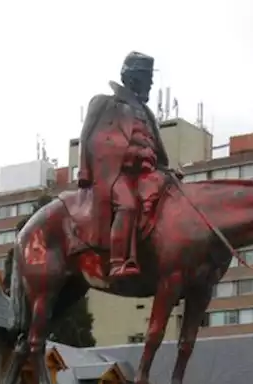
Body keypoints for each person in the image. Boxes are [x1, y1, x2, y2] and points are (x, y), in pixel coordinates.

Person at [77, 51, 180, 279]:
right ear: (133, 78)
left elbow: (155, 147)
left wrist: (167, 171)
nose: (152, 83)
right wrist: (84, 171)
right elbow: (86, 136)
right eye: (147, 77)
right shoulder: (104, 103)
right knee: (128, 206)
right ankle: (117, 262)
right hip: (117, 173)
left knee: (173, 200)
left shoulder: (148, 113)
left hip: (147, 172)